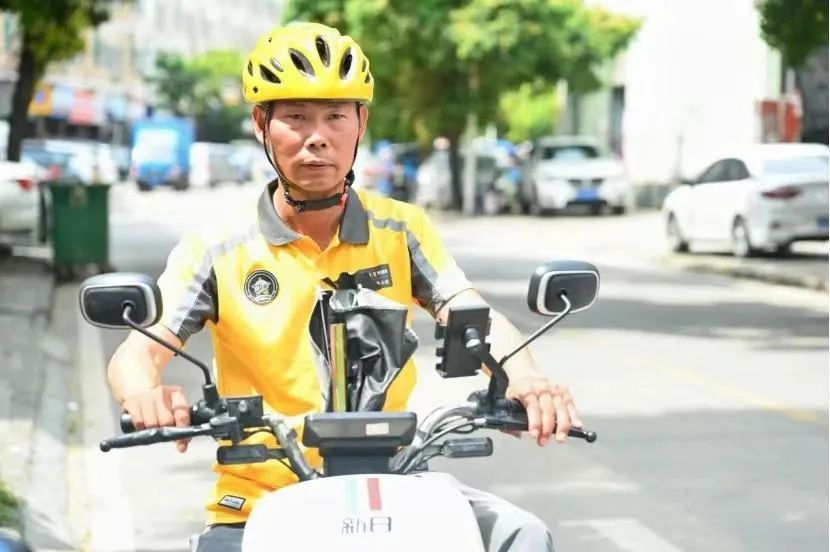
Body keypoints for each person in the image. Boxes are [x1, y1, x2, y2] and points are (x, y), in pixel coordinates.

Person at [106, 22, 583, 552]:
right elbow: (138, 352)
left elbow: (469, 311)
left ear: (361, 123)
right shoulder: (218, 248)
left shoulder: (401, 229)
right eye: (296, 117)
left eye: (335, 115)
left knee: (521, 536)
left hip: (393, 481)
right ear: (261, 123)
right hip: (262, 491)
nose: (317, 136)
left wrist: (528, 378)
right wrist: (145, 393)